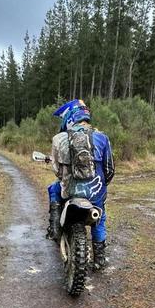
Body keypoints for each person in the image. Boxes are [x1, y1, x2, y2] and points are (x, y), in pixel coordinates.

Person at [47, 99, 115, 269]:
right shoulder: (102, 138)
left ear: (69, 117)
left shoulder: (59, 139)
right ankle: (99, 260)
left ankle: (55, 228)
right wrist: (101, 186)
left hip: (70, 191)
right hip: (96, 192)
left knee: (54, 189)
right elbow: (110, 169)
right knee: (100, 219)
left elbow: (56, 170)